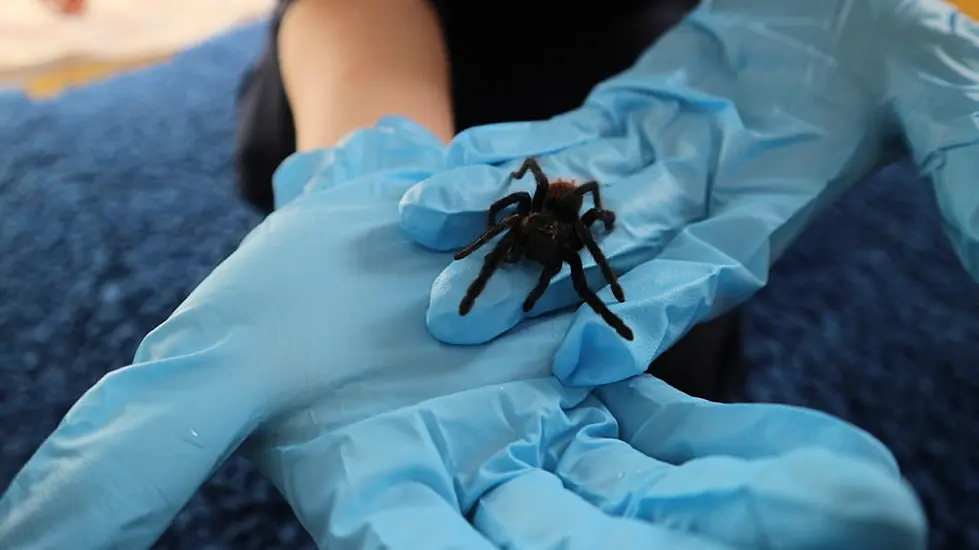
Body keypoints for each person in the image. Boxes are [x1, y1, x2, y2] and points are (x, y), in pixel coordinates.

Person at [3, 0, 977, 547]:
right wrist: (375, 162)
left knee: (642, 314)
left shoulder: (588, 203)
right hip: (376, 46)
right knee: (408, 246)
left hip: (659, 62)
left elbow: (599, 218)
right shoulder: (519, 204)